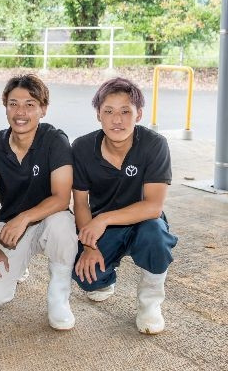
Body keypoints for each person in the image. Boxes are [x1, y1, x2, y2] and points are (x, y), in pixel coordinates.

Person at [71, 77, 178, 334]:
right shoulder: (83, 147)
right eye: (108, 111)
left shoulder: (155, 144)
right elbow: (81, 203)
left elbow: (153, 206)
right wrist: (88, 245)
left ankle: (150, 302)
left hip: (144, 222)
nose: (116, 120)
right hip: (102, 229)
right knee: (88, 279)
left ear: (138, 114)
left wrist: (104, 219)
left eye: (125, 111)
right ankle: (106, 281)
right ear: (98, 115)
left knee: (156, 235)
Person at [0, 75, 77, 330]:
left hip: (47, 220)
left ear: (43, 109)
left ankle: (59, 296)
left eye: (30, 104)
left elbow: (61, 197)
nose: (20, 112)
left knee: (63, 222)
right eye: (13, 104)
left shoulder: (55, 140)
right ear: (5, 106)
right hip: (11, 226)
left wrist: (24, 218)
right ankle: (19, 264)